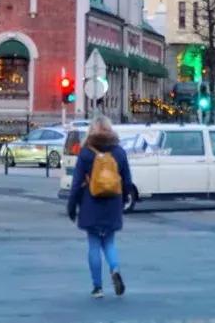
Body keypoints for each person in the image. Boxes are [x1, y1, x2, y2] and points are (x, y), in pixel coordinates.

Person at [67, 116, 132, 299]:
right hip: (113, 203)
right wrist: (125, 198)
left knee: (94, 244)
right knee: (109, 242)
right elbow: (127, 180)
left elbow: (76, 182)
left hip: (91, 202)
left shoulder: (86, 152)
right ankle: (115, 268)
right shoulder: (119, 152)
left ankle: (97, 287)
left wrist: (72, 206)